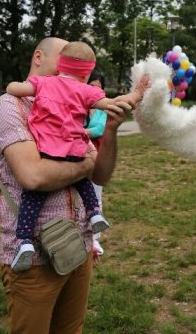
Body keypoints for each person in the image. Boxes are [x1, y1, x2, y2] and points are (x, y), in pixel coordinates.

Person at [0, 37, 143, 333]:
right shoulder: (9, 107)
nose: (68, 72)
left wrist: (110, 129)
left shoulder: (72, 102)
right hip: (32, 258)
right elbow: (34, 177)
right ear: (38, 57)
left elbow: (102, 176)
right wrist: (84, 164)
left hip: (78, 247)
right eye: (63, 60)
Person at [5, 41, 144, 271]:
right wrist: (137, 94)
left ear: (61, 65)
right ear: (88, 72)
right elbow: (113, 104)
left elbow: (14, 89)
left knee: (32, 198)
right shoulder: (88, 91)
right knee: (82, 178)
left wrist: (15, 84)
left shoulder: (44, 83)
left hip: (48, 149)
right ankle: (95, 213)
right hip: (76, 148)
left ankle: (24, 241)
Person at [85, 71, 108, 256]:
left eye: (98, 87)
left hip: (96, 157)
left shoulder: (103, 109)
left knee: (95, 196)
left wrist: (76, 131)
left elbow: (99, 129)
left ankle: (94, 238)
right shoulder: (78, 105)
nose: (94, 90)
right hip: (76, 157)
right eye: (91, 85)